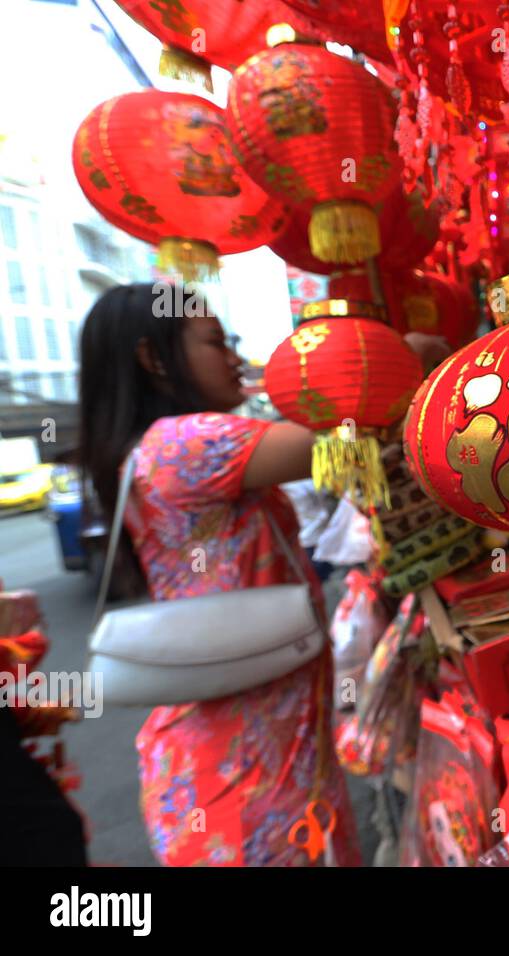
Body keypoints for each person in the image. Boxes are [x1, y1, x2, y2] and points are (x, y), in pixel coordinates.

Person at [77, 283, 361, 866]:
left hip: (243, 766)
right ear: (153, 359)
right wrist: (388, 355)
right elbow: (341, 440)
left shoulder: (146, 450)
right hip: (247, 788)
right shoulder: (182, 444)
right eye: (215, 342)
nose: (235, 356)